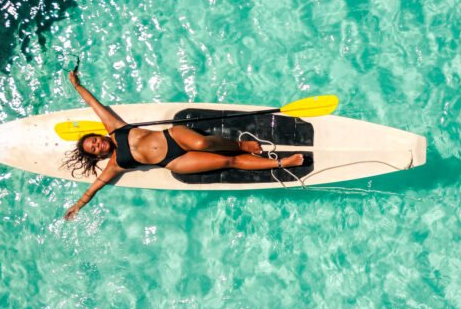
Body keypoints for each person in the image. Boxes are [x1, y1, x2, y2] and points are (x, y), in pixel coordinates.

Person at [63, 69, 304, 220]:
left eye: (94, 141)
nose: (96, 145)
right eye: (93, 149)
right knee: (226, 162)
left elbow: (94, 104)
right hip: (173, 161)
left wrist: (77, 86)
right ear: (96, 156)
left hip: (173, 137)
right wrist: (77, 206)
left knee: (202, 141)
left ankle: (241, 145)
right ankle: (282, 163)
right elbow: (93, 188)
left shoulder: (114, 129)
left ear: (98, 135)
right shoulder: (115, 165)